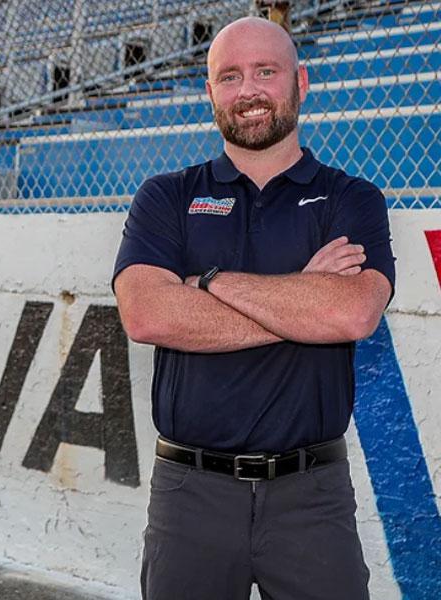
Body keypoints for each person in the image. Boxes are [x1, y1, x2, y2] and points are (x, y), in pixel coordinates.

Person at [112, 16, 395, 600]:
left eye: (266, 72)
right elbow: (148, 315)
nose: (249, 91)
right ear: (210, 92)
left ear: (301, 82)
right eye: (230, 76)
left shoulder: (352, 198)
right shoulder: (167, 196)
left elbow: (351, 314)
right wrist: (300, 301)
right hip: (190, 495)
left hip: (312, 498)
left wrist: (207, 281)